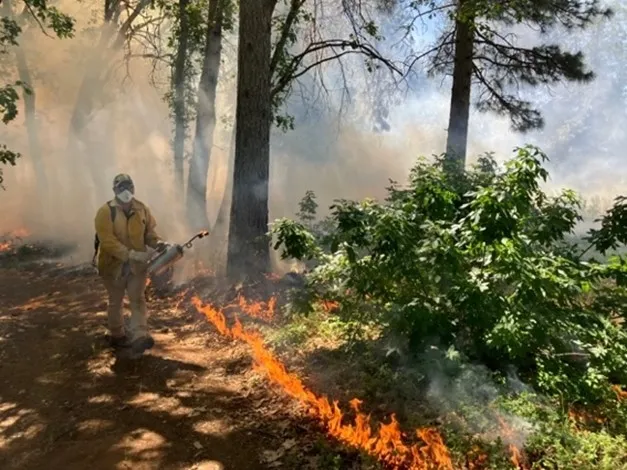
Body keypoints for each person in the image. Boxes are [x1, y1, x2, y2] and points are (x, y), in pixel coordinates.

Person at [94, 173, 167, 355]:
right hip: (113, 266)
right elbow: (107, 241)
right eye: (121, 187)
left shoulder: (142, 209)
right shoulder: (105, 212)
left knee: (138, 299)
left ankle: (140, 336)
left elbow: (149, 233)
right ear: (114, 190)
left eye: (129, 186)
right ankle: (117, 335)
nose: (126, 191)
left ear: (133, 188)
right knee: (116, 301)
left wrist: (158, 243)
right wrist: (129, 254)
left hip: (137, 266)